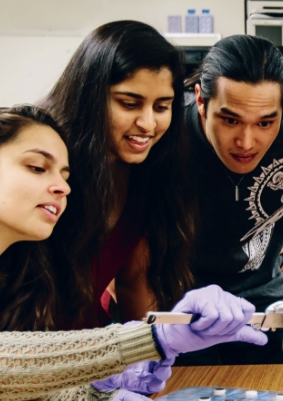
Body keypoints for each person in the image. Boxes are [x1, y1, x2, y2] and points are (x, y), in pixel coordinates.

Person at [0, 105, 267, 401]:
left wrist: (97, 387)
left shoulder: (6, 290)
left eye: (64, 175)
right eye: (37, 168)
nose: (62, 187)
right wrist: (147, 339)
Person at [116, 34, 283, 365]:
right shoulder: (164, 135)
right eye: (230, 119)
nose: (246, 141)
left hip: (265, 298)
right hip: (180, 300)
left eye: (265, 122)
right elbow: (134, 272)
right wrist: (143, 356)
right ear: (201, 101)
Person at [40, 20, 196, 328]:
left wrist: (153, 361)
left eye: (162, 107)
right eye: (129, 104)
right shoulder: (44, 163)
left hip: (91, 350)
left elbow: (135, 281)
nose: (148, 124)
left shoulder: (148, 175)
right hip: (21, 350)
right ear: (90, 95)